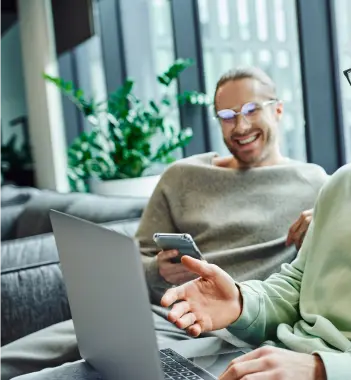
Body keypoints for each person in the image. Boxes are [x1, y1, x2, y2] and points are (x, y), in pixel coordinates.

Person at [11, 0, 351, 378]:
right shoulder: (348, 182)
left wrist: (321, 368)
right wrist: (240, 300)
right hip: (255, 361)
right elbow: (293, 289)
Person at [0, 67, 327, 380]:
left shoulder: (318, 185)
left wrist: (325, 229)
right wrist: (159, 271)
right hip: (159, 317)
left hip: (232, 331)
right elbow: (129, 265)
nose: (240, 126)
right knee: (12, 360)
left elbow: (338, 272)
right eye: (227, 117)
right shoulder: (182, 177)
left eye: (252, 110)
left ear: (279, 110)